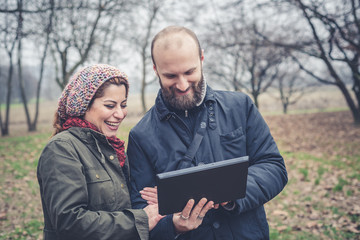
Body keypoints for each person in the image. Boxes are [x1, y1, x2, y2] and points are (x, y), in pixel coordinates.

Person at [127, 26, 288, 240]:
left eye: (189, 72)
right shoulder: (140, 135)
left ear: (202, 59)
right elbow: (142, 211)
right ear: (156, 70)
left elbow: (274, 167)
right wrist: (172, 225)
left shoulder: (241, 107)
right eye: (171, 76)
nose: (182, 84)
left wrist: (227, 193)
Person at [37, 64, 163, 240]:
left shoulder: (112, 149)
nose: (120, 114)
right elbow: (70, 222)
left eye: (123, 104)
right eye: (110, 105)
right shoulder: (62, 149)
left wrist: (160, 199)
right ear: (83, 105)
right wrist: (140, 219)